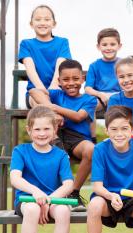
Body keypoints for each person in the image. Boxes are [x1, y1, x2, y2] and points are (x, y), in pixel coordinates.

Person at [29, 59, 97, 211]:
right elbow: (33, 92)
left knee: (92, 150)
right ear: (59, 81)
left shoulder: (89, 99)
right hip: (55, 135)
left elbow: (79, 116)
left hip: (78, 138)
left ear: (83, 79)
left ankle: (73, 192)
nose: (71, 83)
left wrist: (54, 108)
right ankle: (58, 189)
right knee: (48, 132)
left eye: (75, 79)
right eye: (65, 79)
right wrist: (52, 113)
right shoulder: (56, 94)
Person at [87, 106, 133, 233]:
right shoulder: (99, 149)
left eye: (124, 129)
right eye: (114, 129)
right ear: (107, 131)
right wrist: (110, 196)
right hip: (107, 198)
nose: (119, 134)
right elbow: (97, 187)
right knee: (94, 205)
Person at [10, 105, 73, 233]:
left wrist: (47, 201)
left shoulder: (61, 155)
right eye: (37, 129)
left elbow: (68, 185)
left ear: (55, 129)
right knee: (33, 209)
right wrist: (35, 192)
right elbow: (15, 178)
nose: (42, 133)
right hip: (27, 200)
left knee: (63, 211)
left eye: (46, 128)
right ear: (29, 130)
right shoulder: (20, 151)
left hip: (54, 199)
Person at [18, 4, 71, 109]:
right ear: (31, 24)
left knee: (74, 103)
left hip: (58, 90)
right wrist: (41, 88)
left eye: (47, 19)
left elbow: (61, 65)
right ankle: (53, 112)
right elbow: (30, 67)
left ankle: (55, 114)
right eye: (38, 19)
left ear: (54, 24)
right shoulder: (26, 44)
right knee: (40, 102)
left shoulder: (62, 42)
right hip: (36, 92)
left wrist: (54, 86)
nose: (42, 23)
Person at [85, 28, 122, 142]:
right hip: (100, 96)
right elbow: (88, 88)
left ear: (119, 46)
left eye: (112, 44)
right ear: (98, 46)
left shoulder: (123, 64)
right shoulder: (94, 66)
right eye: (104, 44)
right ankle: (92, 138)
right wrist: (100, 94)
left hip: (119, 96)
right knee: (89, 105)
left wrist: (113, 96)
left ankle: (117, 138)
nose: (108, 47)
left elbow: (130, 85)